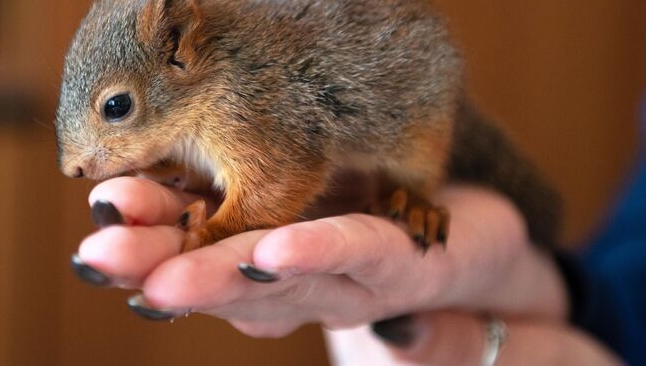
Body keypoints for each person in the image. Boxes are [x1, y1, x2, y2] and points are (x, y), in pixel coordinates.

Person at [71, 102, 646, 365]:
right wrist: (567, 292)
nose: (76, 167)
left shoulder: (236, 112)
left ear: (179, 49)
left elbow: (282, 173)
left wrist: (217, 228)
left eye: (116, 110)